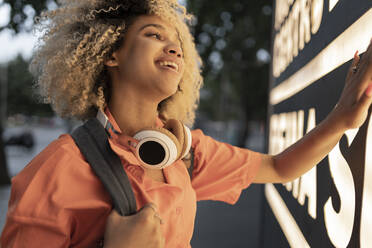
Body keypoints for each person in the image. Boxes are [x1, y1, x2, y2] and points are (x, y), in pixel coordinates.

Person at [1, 0, 372, 247]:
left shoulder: (186, 153)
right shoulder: (55, 170)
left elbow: (278, 167)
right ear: (110, 52)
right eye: (153, 35)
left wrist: (341, 118)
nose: (175, 48)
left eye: (177, 42)